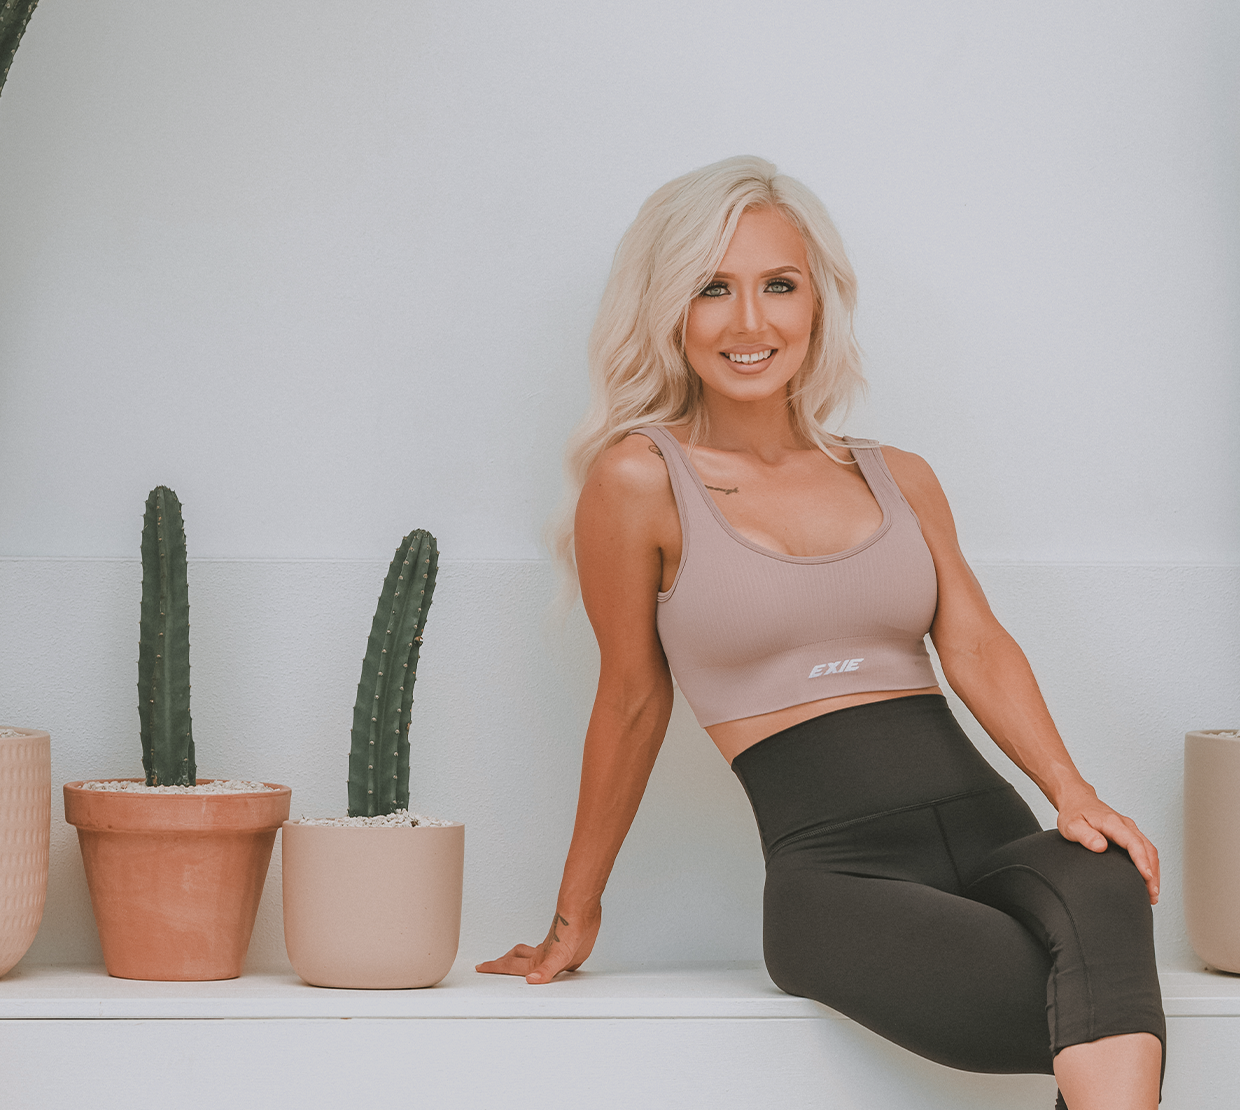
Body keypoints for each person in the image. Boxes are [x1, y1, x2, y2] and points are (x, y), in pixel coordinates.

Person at [477, 156, 1165, 1110]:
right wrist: (574, 912)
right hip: (838, 878)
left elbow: (975, 644)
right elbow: (632, 700)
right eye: (711, 289)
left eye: (779, 285)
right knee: (1095, 999)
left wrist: (1071, 792)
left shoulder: (897, 474)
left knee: (1105, 879)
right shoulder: (639, 481)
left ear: (817, 303)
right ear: (668, 311)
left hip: (994, 837)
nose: (749, 322)